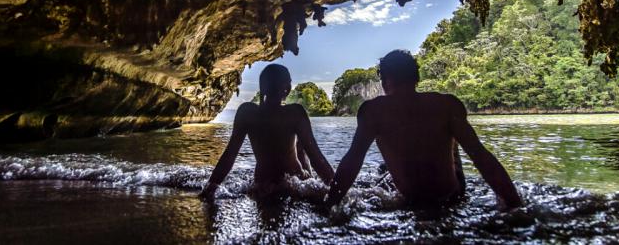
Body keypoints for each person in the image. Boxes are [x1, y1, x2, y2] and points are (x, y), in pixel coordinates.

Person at [325, 50, 522, 210]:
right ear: (416, 79)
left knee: (382, 172)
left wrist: (328, 204)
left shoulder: (373, 111)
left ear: (386, 82)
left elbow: (353, 160)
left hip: (410, 199)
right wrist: (515, 205)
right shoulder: (447, 105)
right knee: (453, 139)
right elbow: (481, 157)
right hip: (452, 196)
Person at [200, 64, 334, 199]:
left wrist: (211, 186)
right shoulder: (295, 113)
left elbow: (230, 155)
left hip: (262, 183)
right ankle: (307, 174)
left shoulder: (246, 112)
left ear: (262, 88)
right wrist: (337, 189)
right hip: (294, 181)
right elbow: (316, 157)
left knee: (297, 143)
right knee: (301, 146)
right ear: (287, 89)